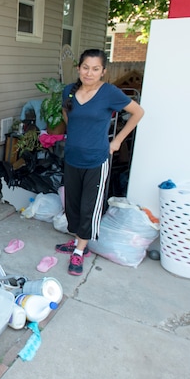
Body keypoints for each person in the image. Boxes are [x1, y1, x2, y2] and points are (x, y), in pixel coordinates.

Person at [55, 49, 144, 275]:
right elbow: (68, 115)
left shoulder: (109, 93)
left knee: (89, 207)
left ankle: (80, 251)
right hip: (72, 157)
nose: (89, 73)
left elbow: (138, 112)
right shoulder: (69, 92)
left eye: (95, 69)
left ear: (103, 71)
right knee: (72, 205)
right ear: (79, 68)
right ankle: (78, 241)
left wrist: (116, 142)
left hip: (96, 159)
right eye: (85, 67)